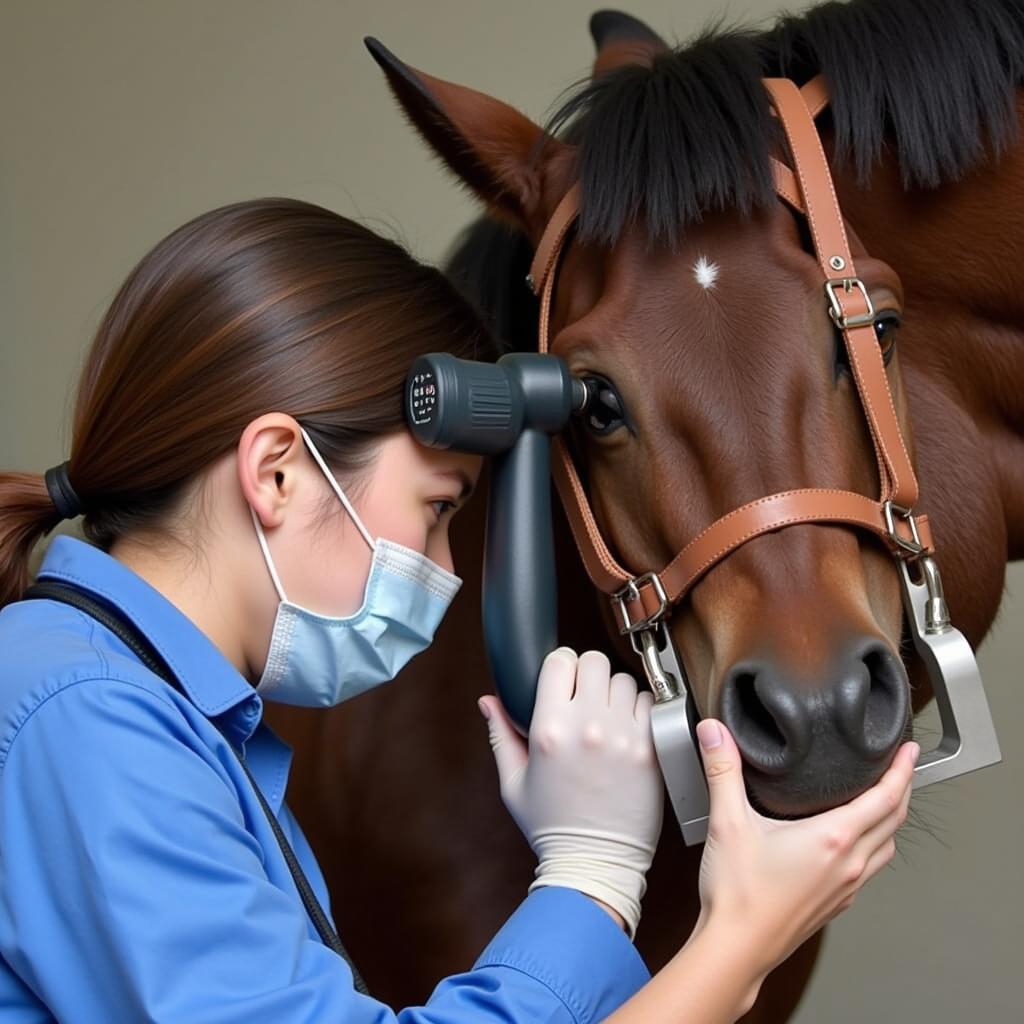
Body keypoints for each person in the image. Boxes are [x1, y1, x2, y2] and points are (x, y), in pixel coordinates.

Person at [0, 198, 917, 1024]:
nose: (444, 570)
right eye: (440, 509)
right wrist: (613, 886)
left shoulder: (156, 717)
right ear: (277, 471)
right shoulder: (84, 715)